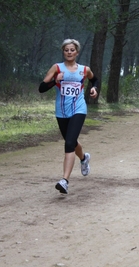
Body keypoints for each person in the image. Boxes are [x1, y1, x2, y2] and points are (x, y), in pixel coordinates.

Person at [38, 39, 99, 194]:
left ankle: (64, 181)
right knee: (71, 142)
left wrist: (94, 90)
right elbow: (41, 88)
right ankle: (84, 158)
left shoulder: (84, 70)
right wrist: (54, 81)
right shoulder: (57, 68)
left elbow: (95, 80)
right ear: (63, 52)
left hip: (79, 109)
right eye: (66, 50)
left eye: (72, 50)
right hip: (61, 111)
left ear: (77, 52)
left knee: (69, 143)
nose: (69, 52)